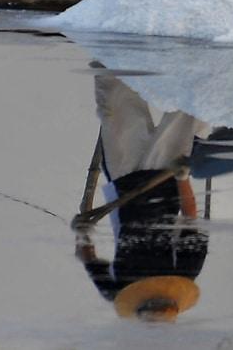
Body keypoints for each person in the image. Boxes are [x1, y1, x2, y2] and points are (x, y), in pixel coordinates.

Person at [76, 69, 209, 323]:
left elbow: (87, 257)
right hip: (165, 178)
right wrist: (181, 177)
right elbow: (190, 218)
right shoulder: (184, 274)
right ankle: (200, 66)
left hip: (124, 179)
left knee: (114, 105)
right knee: (185, 113)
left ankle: (114, 58)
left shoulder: (117, 290)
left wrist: (82, 232)